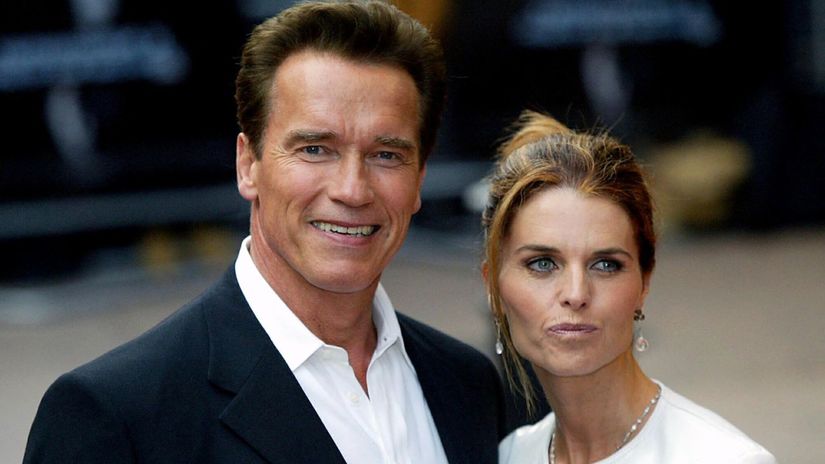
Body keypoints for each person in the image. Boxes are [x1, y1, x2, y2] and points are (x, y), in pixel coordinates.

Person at [23, 2, 508, 463]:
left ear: (420, 178)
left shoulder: (468, 384)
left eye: (386, 155)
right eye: (315, 149)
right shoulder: (118, 415)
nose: (352, 190)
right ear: (247, 164)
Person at [482, 110, 777, 463]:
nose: (575, 294)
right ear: (493, 286)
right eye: (542, 263)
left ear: (644, 282)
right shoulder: (510, 455)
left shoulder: (724, 458)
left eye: (605, 265)